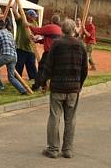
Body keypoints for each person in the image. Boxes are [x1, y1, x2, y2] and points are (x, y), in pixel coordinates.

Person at [37, 18, 88, 158]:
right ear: (74, 30)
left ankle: (53, 149)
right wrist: (80, 85)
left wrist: (43, 83)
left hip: (58, 87)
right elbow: (84, 69)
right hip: (73, 88)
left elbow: (49, 65)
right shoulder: (81, 45)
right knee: (70, 119)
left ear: (62, 30)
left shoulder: (56, 44)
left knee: (54, 117)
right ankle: (67, 149)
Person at [0, 19, 28, 94]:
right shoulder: (9, 33)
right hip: (14, 56)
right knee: (11, 77)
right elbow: (14, 45)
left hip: (6, 55)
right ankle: (23, 90)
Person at [30, 14, 63, 84]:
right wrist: (37, 41)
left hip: (49, 53)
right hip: (57, 53)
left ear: (52, 20)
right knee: (52, 69)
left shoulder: (50, 27)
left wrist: (28, 25)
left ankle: (37, 85)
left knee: (42, 68)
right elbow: (48, 38)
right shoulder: (60, 30)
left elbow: (36, 31)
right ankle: (47, 84)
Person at [14, 9, 38, 80]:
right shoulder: (21, 20)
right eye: (33, 16)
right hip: (21, 48)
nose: (35, 18)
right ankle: (17, 79)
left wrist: (35, 37)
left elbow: (38, 34)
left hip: (31, 48)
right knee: (19, 65)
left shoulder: (35, 23)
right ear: (28, 16)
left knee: (31, 65)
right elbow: (15, 11)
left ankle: (33, 79)